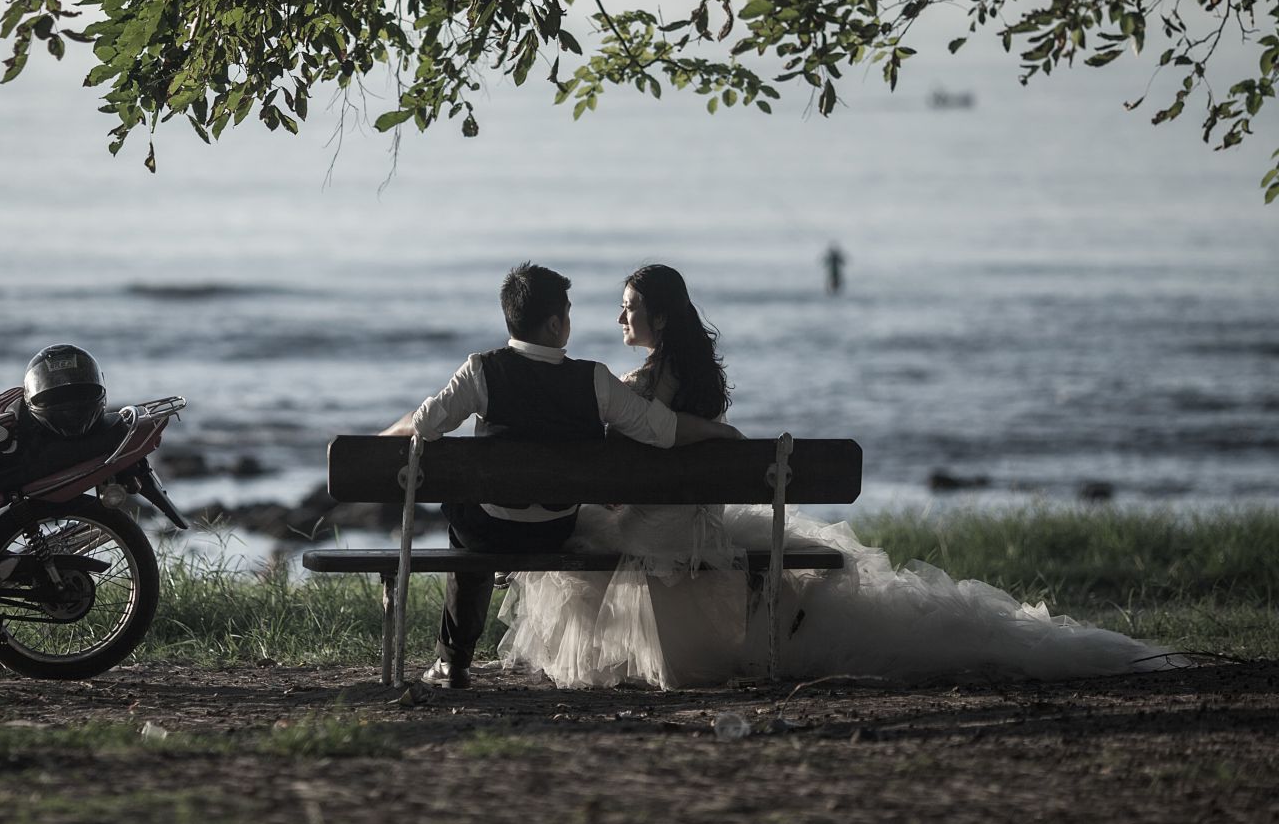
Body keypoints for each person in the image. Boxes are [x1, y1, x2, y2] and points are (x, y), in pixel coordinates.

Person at [496, 265, 1177, 688]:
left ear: (660, 316)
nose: (620, 317)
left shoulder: (637, 385)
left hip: (656, 533)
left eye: (628, 307)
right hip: (693, 527)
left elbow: (614, 458)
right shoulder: (695, 380)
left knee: (572, 540)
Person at [380, 263, 742, 688]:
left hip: (491, 533)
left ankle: (453, 660)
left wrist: (376, 439)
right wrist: (721, 430)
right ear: (555, 324)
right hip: (555, 528)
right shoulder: (595, 380)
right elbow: (663, 430)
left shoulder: (480, 371)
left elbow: (424, 425)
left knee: (462, 524)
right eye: (568, 313)